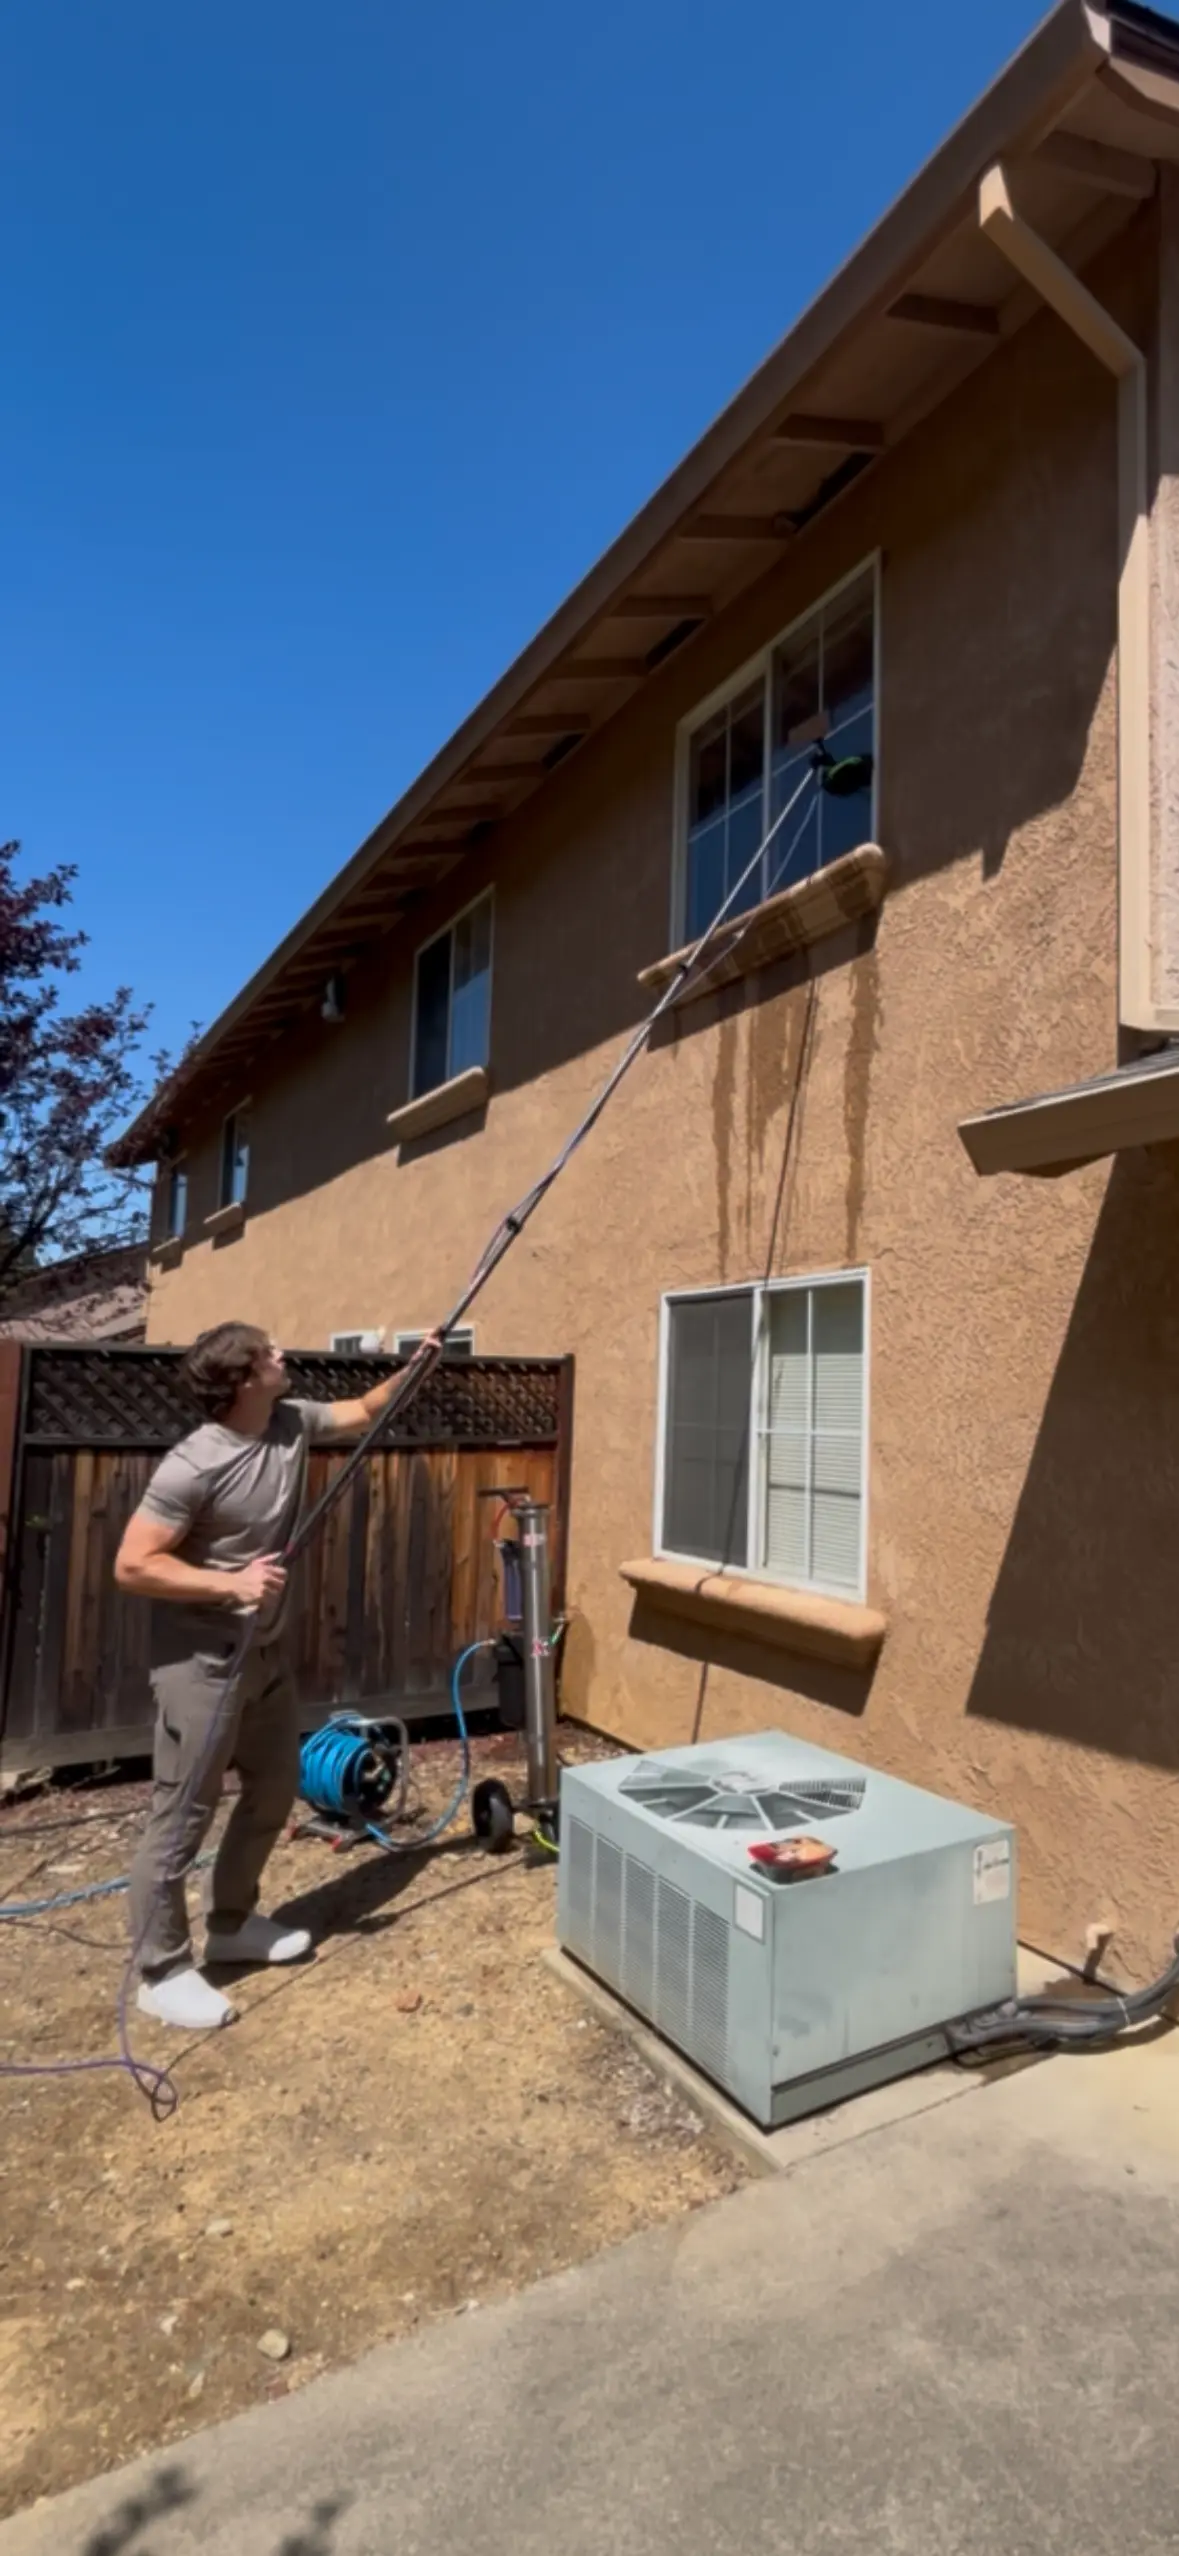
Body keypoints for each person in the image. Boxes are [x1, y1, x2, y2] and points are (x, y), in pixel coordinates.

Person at [115, 1320, 415, 2031]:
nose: (283, 1354)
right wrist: (231, 1584)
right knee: (182, 1815)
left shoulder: (288, 1421)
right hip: (201, 1664)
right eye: (268, 1352)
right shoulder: (194, 1464)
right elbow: (132, 1564)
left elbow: (364, 1411)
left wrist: (421, 1360)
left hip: (266, 1657)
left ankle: (231, 1922)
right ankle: (160, 1972)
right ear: (241, 1380)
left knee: (275, 1786)